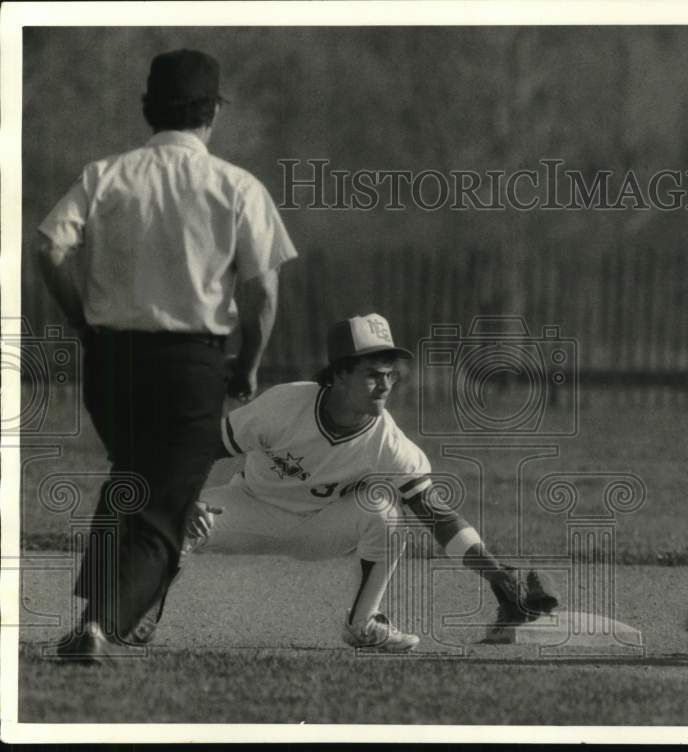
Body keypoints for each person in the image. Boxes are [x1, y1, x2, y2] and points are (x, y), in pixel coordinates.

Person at [37, 49, 298, 661]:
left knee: (129, 475)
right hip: (190, 362)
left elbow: (49, 246)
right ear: (213, 112)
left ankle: (94, 611)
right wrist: (249, 364)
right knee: (165, 506)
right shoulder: (236, 187)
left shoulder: (105, 175)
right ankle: (101, 626)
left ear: (148, 109)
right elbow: (263, 293)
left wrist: (82, 321)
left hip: (111, 361)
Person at [181, 313, 558, 651]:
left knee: (385, 512)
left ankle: (363, 623)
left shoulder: (387, 442)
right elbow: (201, 448)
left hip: (321, 526)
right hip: (250, 507)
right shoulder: (283, 405)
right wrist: (184, 499)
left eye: (390, 374)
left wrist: (497, 573)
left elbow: (437, 516)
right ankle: (135, 614)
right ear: (341, 373)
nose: (385, 385)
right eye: (373, 374)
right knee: (169, 521)